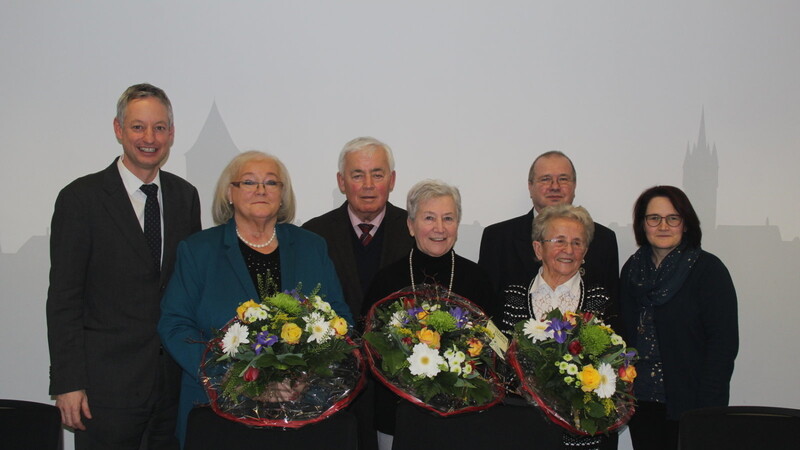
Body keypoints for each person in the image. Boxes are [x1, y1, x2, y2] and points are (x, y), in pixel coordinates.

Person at [158, 151, 352, 447]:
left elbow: (340, 321)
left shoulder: (311, 247)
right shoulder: (198, 251)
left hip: (304, 411)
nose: (261, 190)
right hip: (218, 413)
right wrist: (238, 379)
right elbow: (174, 325)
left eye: (271, 183)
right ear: (229, 193)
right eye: (249, 182)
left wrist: (307, 376)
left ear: (282, 195)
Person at [46, 83, 201, 449]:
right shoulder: (80, 199)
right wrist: (68, 382)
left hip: (171, 388)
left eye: (160, 127)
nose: (150, 137)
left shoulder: (185, 196)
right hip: (105, 391)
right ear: (118, 130)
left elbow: (187, 289)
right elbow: (64, 298)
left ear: (172, 133)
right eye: (138, 127)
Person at [361, 179, 493, 450]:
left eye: (448, 218)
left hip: (463, 416)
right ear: (411, 225)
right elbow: (368, 350)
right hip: (396, 417)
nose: (440, 228)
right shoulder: (387, 280)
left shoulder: (479, 279)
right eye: (429, 218)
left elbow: (493, 350)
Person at [620, 186, 738, 450]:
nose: (663, 226)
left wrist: (708, 409)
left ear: (685, 224)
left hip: (692, 405)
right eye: (654, 218)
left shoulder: (708, 271)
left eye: (673, 218)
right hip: (640, 403)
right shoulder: (631, 271)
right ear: (643, 224)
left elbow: (723, 345)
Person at [499, 204, 618, 450]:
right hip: (520, 430)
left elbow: (613, 368)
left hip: (583, 434)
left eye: (577, 243)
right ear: (538, 248)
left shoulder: (603, 300)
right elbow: (499, 363)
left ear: (585, 251)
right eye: (559, 241)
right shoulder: (510, 296)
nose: (569, 250)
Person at [479, 151, 619, 318]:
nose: (555, 186)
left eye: (563, 179)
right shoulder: (497, 238)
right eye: (545, 179)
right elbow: (485, 310)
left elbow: (612, 311)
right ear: (530, 187)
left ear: (574, 186)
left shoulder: (603, 239)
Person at [303, 137, 414, 324]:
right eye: (357, 176)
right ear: (342, 182)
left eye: (377, 175)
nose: (368, 185)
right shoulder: (313, 235)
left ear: (392, 180)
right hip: (333, 349)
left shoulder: (414, 230)